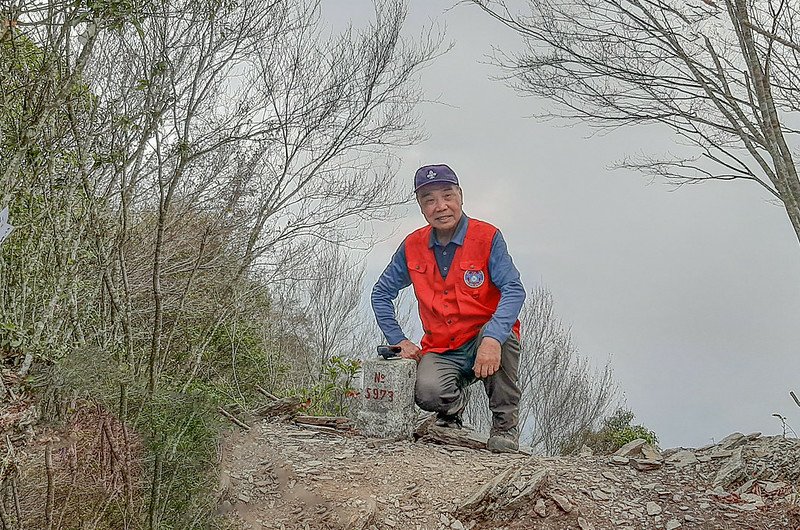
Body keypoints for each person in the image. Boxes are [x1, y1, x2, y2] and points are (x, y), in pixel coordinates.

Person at [371, 163, 526, 453]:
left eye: (447, 196)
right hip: (442, 348)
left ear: (461, 196)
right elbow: (381, 293)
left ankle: (505, 427)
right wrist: (397, 340)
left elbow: (513, 289)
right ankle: (451, 411)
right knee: (427, 391)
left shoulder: (487, 237)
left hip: (484, 338)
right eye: (429, 200)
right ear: (421, 207)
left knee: (503, 340)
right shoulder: (412, 246)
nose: (440, 206)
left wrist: (492, 337)